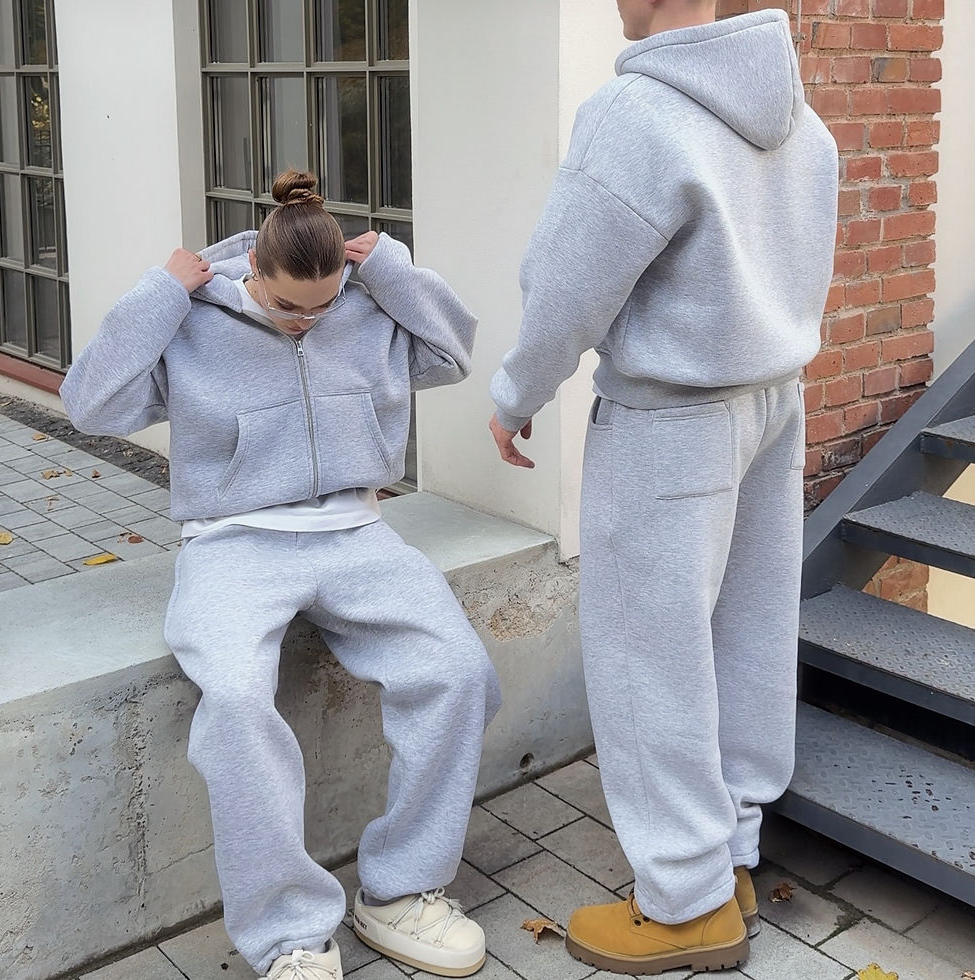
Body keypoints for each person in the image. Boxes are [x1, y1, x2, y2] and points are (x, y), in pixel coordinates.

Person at [61, 170, 501, 980]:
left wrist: (394, 271)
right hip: (233, 542)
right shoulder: (193, 321)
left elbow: (452, 355)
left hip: (355, 533)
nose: (307, 322)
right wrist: (159, 294)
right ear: (253, 271)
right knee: (234, 701)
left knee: (459, 671)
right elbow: (89, 405)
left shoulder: (365, 304)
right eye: (289, 305)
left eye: (323, 307)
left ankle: (402, 891)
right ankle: (290, 933)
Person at [488, 1, 838, 974]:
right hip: (774, 400)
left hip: (671, 421)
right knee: (745, 631)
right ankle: (727, 857)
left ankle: (683, 902)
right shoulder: (799, 118)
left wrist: (517, 392)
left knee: (649, 653)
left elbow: (567, 280)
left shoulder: (636, 113)